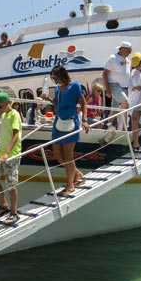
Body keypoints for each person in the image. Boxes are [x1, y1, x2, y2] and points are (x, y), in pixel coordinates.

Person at [42, 65, 90, 195]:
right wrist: (47, 99)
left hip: (70, 122)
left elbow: (83, 103)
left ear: (62, 75)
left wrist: (84, 120)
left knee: (68, 155)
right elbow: (57, 104)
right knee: (57, 155)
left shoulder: (75, 86)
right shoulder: (57, 88)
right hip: (58, 123)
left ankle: (70, 185)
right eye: (53, 79)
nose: (55, 81)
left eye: (56, 78)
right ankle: (77, 174)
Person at [0, 91, 22, 224]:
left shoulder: (14, 115)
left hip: (12, 154)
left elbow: (16, 135)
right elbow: (7, 135)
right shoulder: (4, 115)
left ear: (7, 103)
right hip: (0, 153)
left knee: (11, 184)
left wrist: (7, 153)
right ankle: (3, 205)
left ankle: (14, 213)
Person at [101, 41, 132, 130]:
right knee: (125, 103)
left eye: (130, 50)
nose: (130, 52)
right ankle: (123, 128)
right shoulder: (113, 58)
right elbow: (105, 74)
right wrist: (108, 90)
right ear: (121, 49)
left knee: (114, 109)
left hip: (125, 87)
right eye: (128, 50)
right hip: (115, 85)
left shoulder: (127, 60)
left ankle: (108, 127)